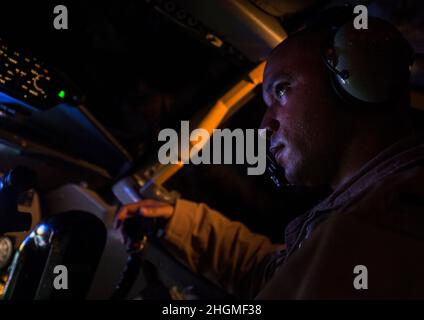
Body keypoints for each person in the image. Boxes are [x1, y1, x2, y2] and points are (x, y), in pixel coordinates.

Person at [115, 14, 424, 299]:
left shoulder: (386, 229)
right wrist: (177, 220)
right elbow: (270, 273)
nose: (264, 126)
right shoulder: (360, 214)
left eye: (282, 90)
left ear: (356, 78)